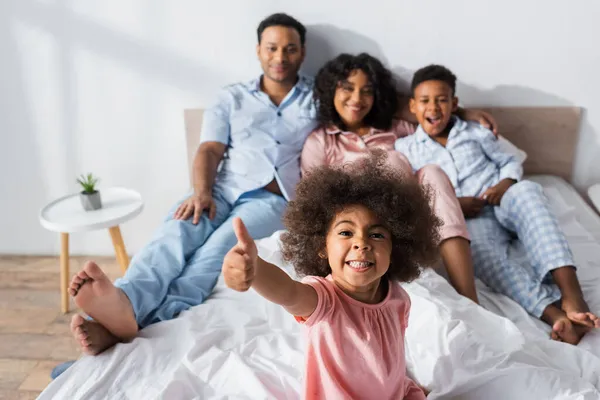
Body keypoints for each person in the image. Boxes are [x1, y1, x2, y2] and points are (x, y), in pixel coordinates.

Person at [66, 13, 315, 358]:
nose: (280, 57)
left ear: (302, 53)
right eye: (272, 48)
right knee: (175, 235)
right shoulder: (231, 97)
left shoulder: (317, 99)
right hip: (221, 189)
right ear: (258, 50)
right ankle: (124, 301)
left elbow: (366, 109)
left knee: (213, 254)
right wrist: (201, 193)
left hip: (272, 200)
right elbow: (210, 149)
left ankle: (140, 325)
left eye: (290, 49)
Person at [395, 64, 600, 344]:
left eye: (442, 99)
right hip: (471, 219)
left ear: (455, 104)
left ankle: (572, 295)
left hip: (503, 199)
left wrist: (506, 184)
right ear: (413, 107)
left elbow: (509, 161)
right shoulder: (406, 148)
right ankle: (555, 315)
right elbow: (420, 193)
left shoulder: (474, 131)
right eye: (425, 100)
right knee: (484, 258)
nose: (434, 107)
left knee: (528, 190)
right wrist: (455, 204)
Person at [223, 152, 440, 399]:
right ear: (322, 247)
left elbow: (390, 355)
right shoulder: (323, 300)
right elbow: (288, 292)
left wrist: (403, 384)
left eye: (377, 235)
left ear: (396, 249)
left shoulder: (399, 298)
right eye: (346, 233)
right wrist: (256, 268)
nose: (362, 243)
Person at [301, 53, 496, 304]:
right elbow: (314, 202)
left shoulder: (395, 128)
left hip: (416, 219)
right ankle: (398, 267)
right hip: (364, 222)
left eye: (367, 91)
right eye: (347, 89)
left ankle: (470, 298)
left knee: (433, 171)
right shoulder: (321, 141)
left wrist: (463, 112)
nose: (357, 99)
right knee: (391, 160)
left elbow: (432, 116)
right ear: (331, 92)